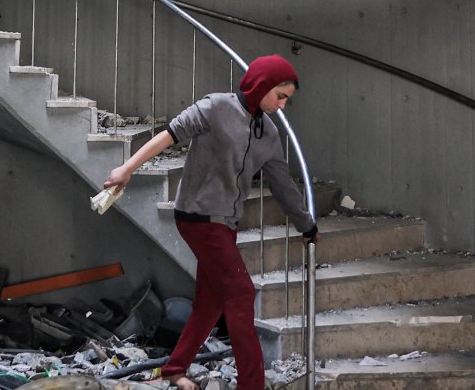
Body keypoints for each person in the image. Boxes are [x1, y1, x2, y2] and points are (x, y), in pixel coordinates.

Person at [104, 54, 318, 390]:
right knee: (242, 293)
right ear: (262, 85)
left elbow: (283, 184)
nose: (283, 105)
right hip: (198, 217)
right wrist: (127, 169)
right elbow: (170, 134)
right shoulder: (216, 107)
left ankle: (175, 368)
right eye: (280, 96)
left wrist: (307, 225)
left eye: (287, 99)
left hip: (226, 222)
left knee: (211, 299)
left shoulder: (269, 133)